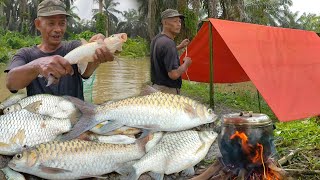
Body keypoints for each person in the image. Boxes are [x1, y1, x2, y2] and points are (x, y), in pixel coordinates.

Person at [5, 0, 114, 100]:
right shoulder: (25, 54)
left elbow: (86, 73)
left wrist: (98, 53)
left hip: (75, 116)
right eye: (51, 23)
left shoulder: (74, 47)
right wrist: (37, 66)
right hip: (42, 119)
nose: (58, 29)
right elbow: (11, 83)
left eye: (62, 23)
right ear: (38, 24)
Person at [150, 8, 192, 95]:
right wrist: (186, 64)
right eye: (175, 21)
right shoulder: (169, 43)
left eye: (179, 21)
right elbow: (174, 74)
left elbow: (162, 53)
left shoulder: (157, 39)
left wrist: (179, 47)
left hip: (156, 88)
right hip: (167, 91)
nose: (179, 24)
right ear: (165, 23)